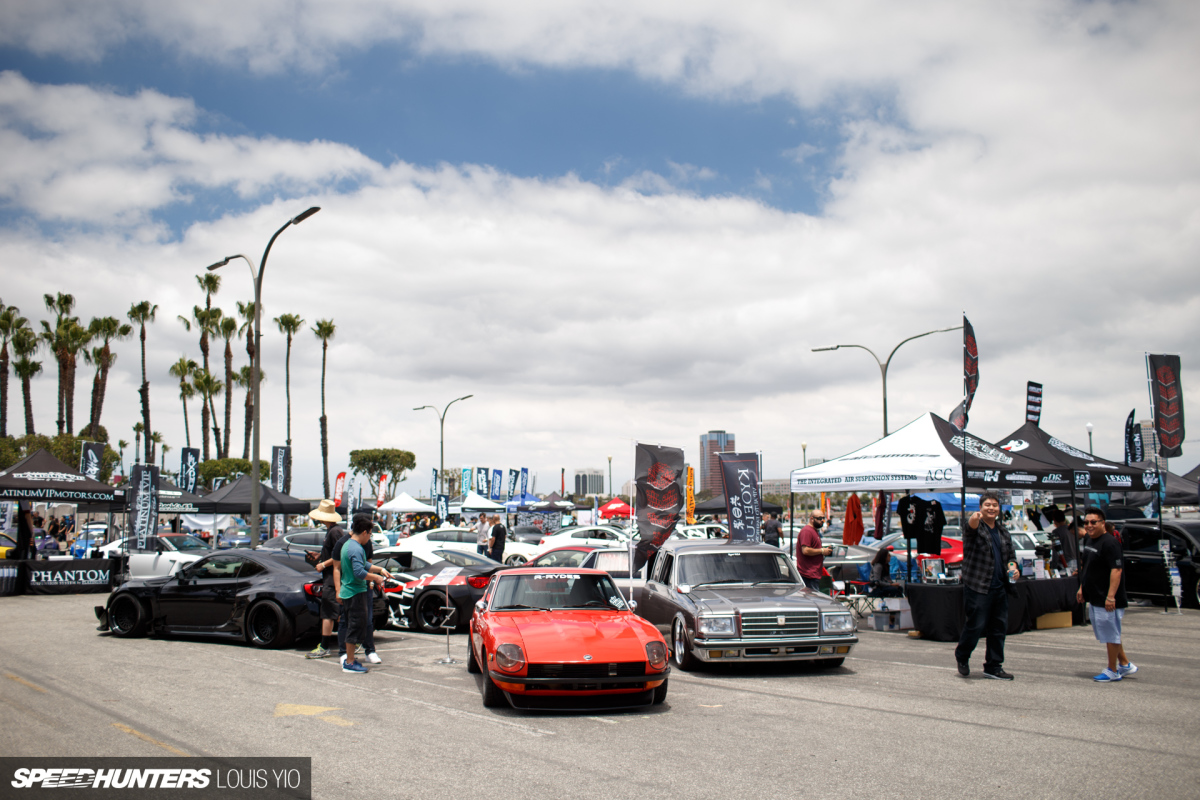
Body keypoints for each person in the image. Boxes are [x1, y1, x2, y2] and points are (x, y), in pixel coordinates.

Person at [954, 491, 1019, 680]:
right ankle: (962, 656)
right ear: (980, 508)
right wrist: (974, 518)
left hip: (1000, 587)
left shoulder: (1003, 531)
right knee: (975, 625)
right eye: (987, 505)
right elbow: (970, 526)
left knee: (998, 628)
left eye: (995, 505)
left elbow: (1011, 557)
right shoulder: (976, 528)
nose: (991, 508)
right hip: (978, 586)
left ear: (999, 508)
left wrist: (1013, 568)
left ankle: (993, 666)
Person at [1077, 507, 1135, 682]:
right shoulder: (1089, 540)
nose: (1089, 525)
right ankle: (1125, 664)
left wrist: (1111, 597)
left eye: (1093, 522)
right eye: (1086, 522)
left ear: (1103, 523)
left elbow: (1116, 570)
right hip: (1095, 596)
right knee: (1110, 632)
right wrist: (1082, 588)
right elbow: (1086, 567)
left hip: (1107, 598)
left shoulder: (1110, 543)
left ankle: (1112, 670)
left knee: (1111, 634)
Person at [334, 515, 391, 665]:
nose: (370, 537)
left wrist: (379, 570)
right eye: (370, 534)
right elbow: (359, 572)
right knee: (354, 627)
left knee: (353, 625)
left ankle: (350, 660)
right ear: (365, 532)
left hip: (349, 591)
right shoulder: (356, 548)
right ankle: (350, 662)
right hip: (354, 592)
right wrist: (376, 578)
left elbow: (363, 564)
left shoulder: (348, 544)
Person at [306, 499, 345, 660]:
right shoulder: (332, 531)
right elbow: (334, 553)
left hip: (332, 577)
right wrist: (320, 555)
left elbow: (341, 555)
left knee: (329, 613)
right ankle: (347, 643)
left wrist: (323, 564)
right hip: (331, 576)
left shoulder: (335, 532)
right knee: (334, 612)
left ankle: (325, 646)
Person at [796, 511, 833, 591]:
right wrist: (822, 551)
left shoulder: (814, 531)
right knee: (812, 601)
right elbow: (805, 550)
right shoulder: (807, 531)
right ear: (811, 519)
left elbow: (813, 548)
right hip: (808, 575)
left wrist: (825, 550)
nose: (822, 520)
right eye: (819, 518)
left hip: (814, 574)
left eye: (823, 518)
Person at [1048, 507, 1077, 573]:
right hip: (1075, 561)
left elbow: (1056, 551)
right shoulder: (1071, 530)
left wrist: (1053, 567)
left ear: (1054, 519)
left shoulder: (1056, 532)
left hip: (1064, 563)